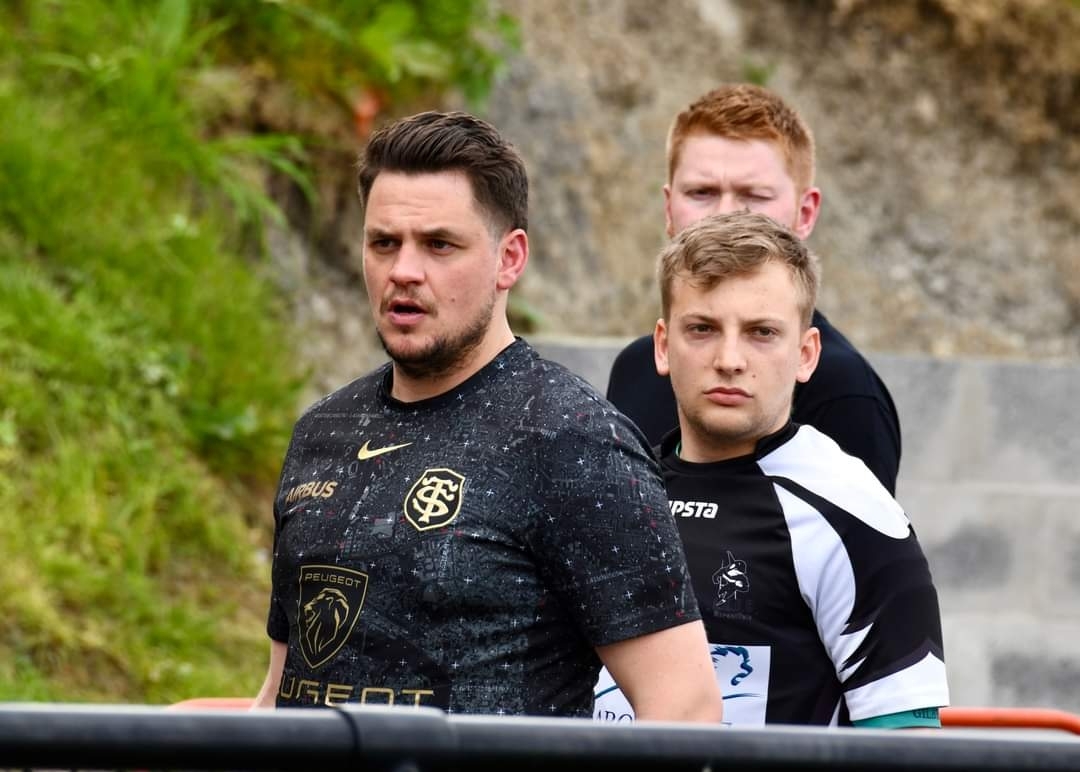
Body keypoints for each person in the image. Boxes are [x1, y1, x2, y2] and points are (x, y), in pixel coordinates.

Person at [252, 110, 722, 722]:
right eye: (384, 243)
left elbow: (684, 707)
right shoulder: (323, 431)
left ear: (510, 258)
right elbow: (281, 690)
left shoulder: (573, 440)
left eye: (439, 245)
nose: (404, 271)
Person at [596, 211, 948, 727]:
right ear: (663, 346)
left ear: (806, 354)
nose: (729, 359)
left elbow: (905, 740)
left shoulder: (854, 512)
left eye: (761, 332)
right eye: (702, 329)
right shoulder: (611, 491)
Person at [605, 84, 901, 493]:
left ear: (806, 212)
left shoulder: (843, 392)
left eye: (755, 196)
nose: (725, 215)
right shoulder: (634, 369)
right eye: (702, 193)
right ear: (668, 208)